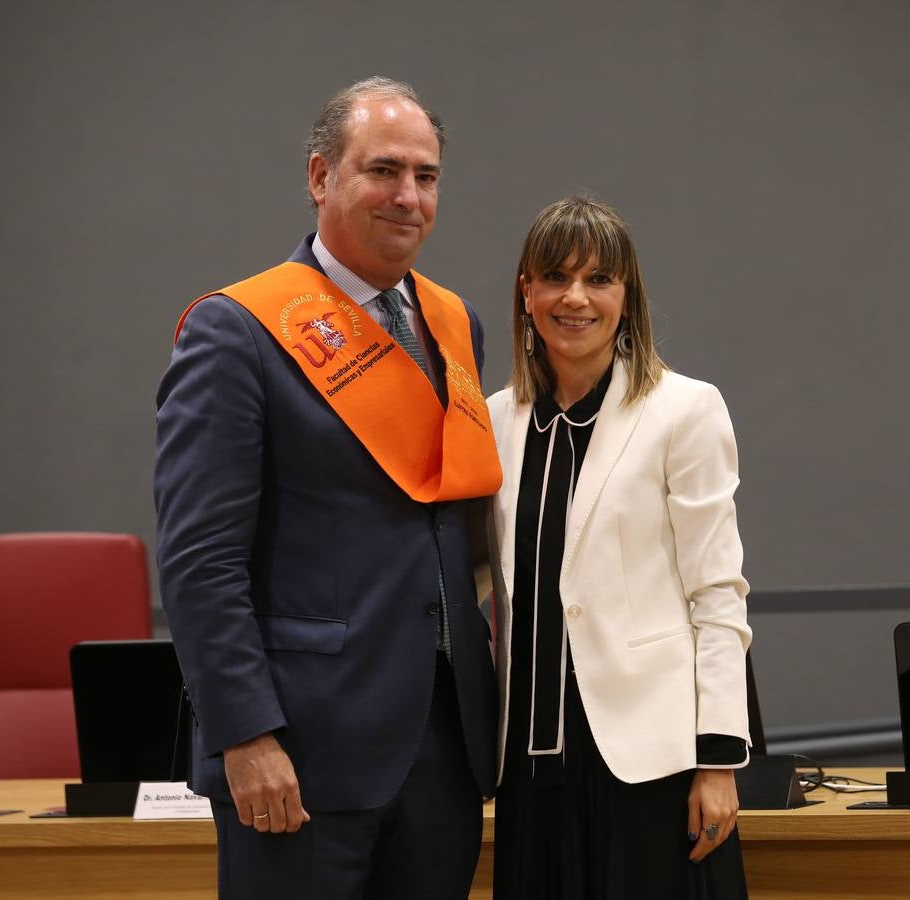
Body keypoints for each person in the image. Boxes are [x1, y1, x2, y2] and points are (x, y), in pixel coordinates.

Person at [154, 76, 502, 899]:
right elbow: (201, 561)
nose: (408, 196)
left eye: (426, 176)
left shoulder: (456, 324)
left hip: (443, 744)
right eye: (382, 171)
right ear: (320, 179)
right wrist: (246, 736)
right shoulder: (236, 331)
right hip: (301, 751)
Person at [482, 195, 753, 899]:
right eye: (556, 277)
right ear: (526, 292)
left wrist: (718, 761)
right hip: (529, 768)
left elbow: (717, 593)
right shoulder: (489, 421)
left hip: (647, 765)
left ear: (627, 298)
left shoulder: (684, 410)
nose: (576, 298)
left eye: (599, 279)